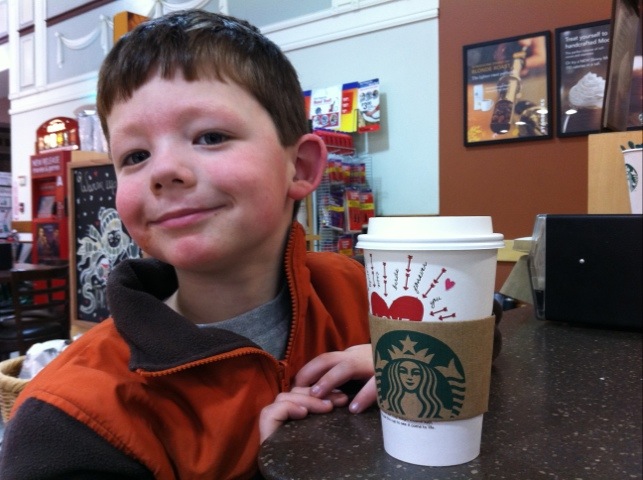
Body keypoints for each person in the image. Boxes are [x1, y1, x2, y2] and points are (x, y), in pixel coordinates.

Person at [0, 10, 376, 479]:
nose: (163, 171)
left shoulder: (358, 291)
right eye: (135, 156)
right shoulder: (70, 421)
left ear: (298, 167)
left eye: (210, 136)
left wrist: (419, 371)